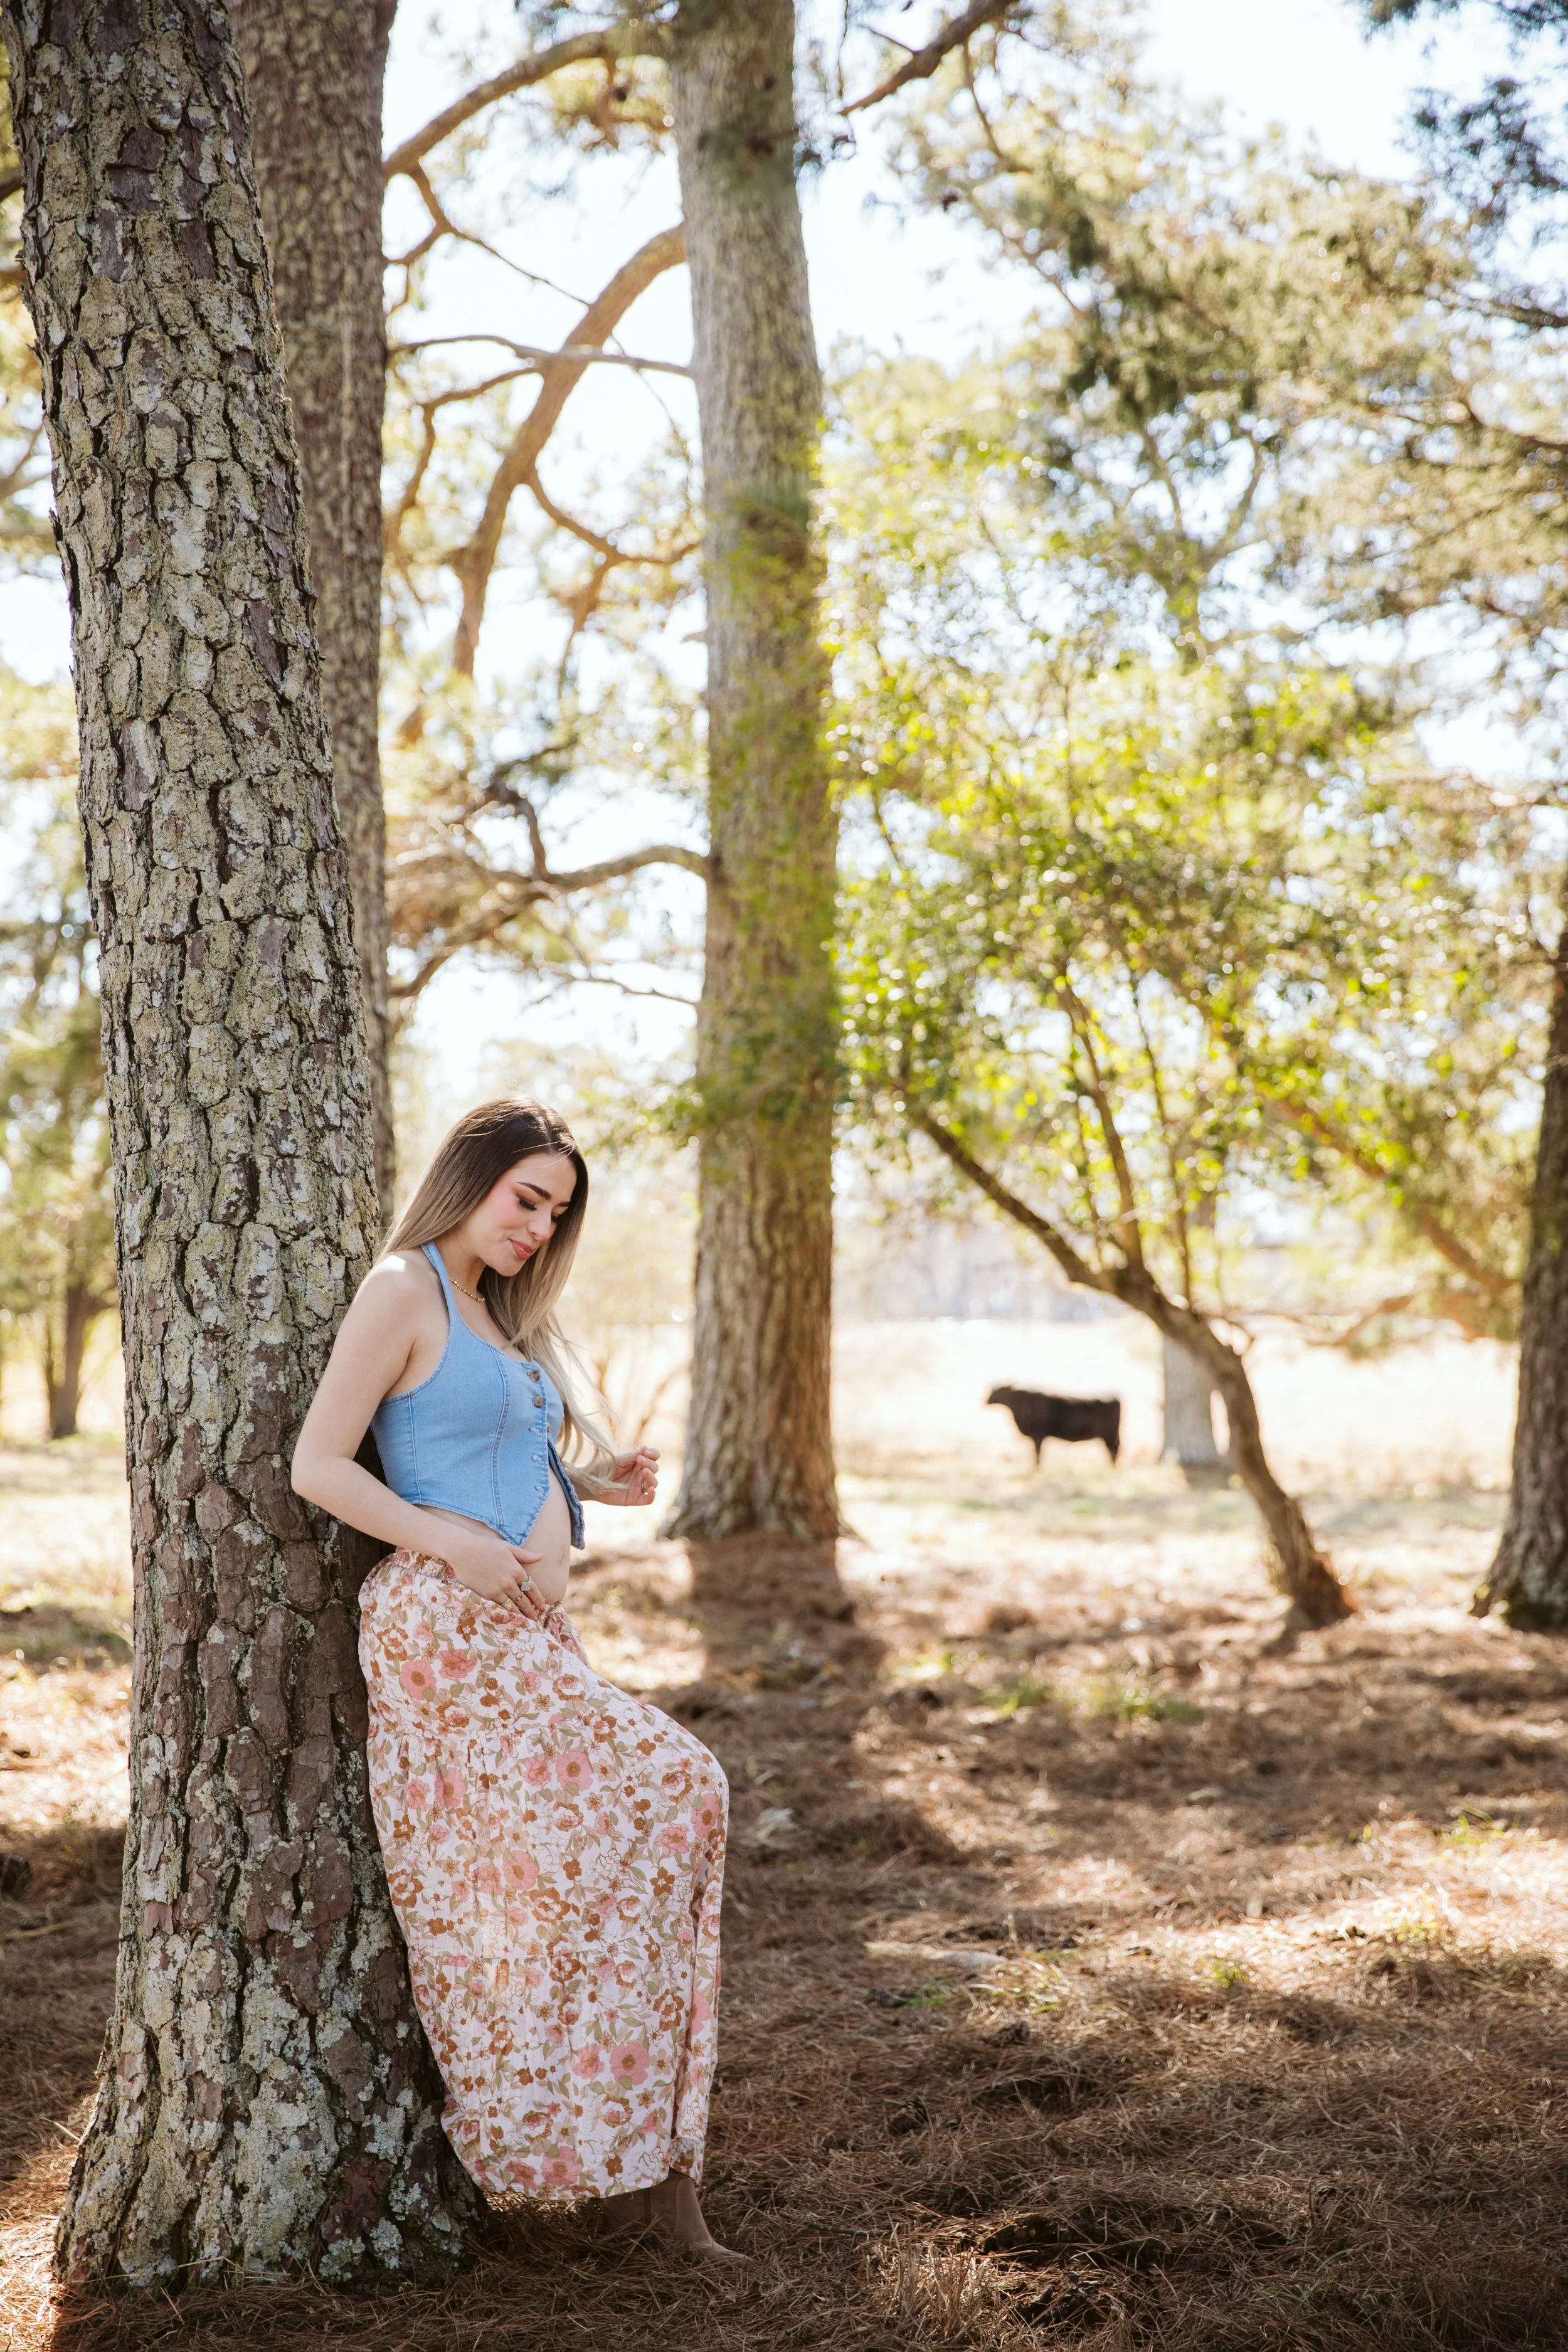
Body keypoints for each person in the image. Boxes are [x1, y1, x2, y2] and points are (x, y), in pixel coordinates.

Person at [292, 1097, 737, 2258]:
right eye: (525, 1197)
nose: (538, 1225)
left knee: (632, 1857)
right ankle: (579, 2141)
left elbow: (486, 1455)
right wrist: (452, 1545)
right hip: (448, 1632)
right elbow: (319, 1462)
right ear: (472, 1177)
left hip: (529, 1639)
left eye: (557, 1211)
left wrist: (595, 1490)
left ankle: (652, 2168)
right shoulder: (405, 1288)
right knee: (680, 1788)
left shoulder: (497, 1315)